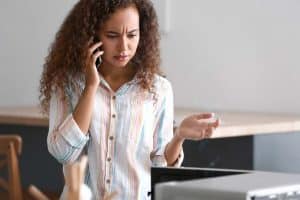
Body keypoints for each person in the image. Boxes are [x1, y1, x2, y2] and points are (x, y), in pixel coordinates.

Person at [39, 0, 220, 199]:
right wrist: (91, 87)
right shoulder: (67, 83)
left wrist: (179, 136)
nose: (124, 46)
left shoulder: (158, 89)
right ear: (93, 34)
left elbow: (161, 167)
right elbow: (63, 154)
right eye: (112, 36)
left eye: (132, 35)